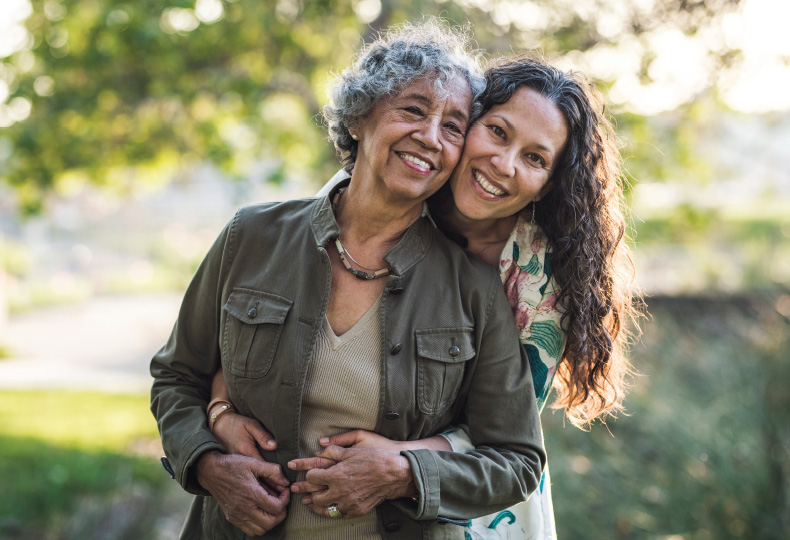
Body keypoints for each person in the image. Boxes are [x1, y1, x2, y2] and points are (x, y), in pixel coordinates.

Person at [209, 54, 639, 540]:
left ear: (548, 185)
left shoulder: (542, 282)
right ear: (467, 124)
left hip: (464, 498)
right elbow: (268, 316)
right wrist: (221, 409)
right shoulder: (391, 185)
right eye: (497, 132)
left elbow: (506, 434)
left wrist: (399, 462)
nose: (504, 165)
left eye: (535, 158)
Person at [150, 21, 547, 540]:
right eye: (413, 110)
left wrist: (404, 474)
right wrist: (207, 464)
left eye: (452, 127)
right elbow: (176, 378)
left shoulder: (473, 288)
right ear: (359, 117)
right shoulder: (251, 237)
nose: (430, 137)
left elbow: (517, 460)